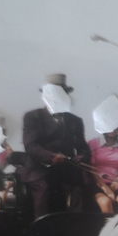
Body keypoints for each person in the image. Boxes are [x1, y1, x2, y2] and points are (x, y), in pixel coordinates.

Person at [19, 74, 91, 220]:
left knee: (80, 188)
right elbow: (31, 146)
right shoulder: (33, 117)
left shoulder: (75, 121)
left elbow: (84, 148)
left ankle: (76, 230)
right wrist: (51, 157)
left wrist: (82, 156)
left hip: (65, 170)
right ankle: (41, 232)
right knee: (44, 190)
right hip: (40, 170)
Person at [88, 126, 118, 214]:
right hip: (96, 183)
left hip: (114, 184)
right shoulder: (93, 143)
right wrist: (104, 188)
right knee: (105, 202)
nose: (112, 129)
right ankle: (109, 227)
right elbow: (91, 168)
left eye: (116, 127)